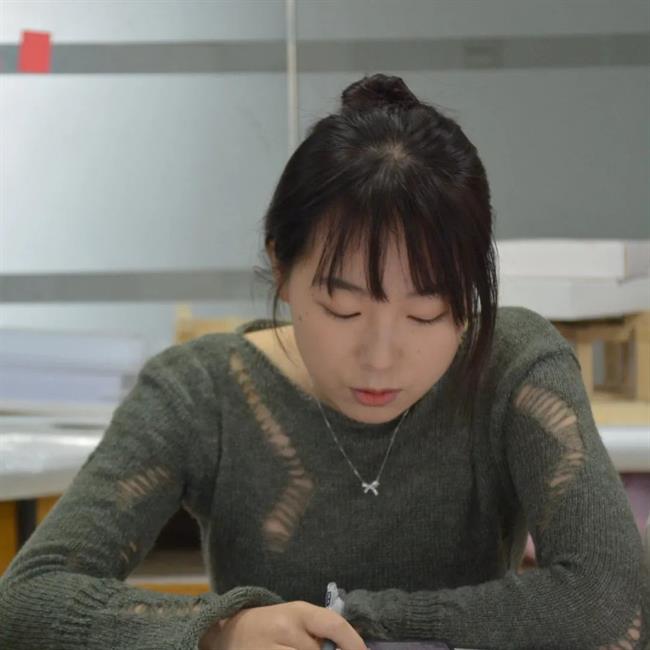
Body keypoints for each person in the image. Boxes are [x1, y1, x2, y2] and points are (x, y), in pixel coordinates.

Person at [0, 73, 647, 650]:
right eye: (343, 308)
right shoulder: (202, 392)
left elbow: (614, 605)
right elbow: (26, 603)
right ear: (281, 267)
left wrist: (353, 623)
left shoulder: (512, 365)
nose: (381, 358)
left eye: (426, 314)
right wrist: (222, 631)